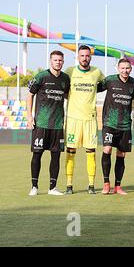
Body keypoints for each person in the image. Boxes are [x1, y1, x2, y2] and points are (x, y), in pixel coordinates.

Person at [27, 50, 70, 196]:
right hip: (41, 123)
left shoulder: (66, 79)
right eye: (55, 60)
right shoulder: (42, 77)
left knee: (56, 156)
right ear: (50, 61)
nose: (58, 62)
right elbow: (30, 95)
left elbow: (67, 96)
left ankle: (52, 188)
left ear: (63, 62)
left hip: (58, 125)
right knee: (37, 155)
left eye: (60, 60)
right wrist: (29, 117)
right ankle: (34, 186)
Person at [97, 58, 134, 195]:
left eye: (127, 68)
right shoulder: (109, 80)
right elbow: (94, 89)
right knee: (107, 149)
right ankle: (106, 184)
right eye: (122, 68)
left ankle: (118, 186)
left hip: (125, 125)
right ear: (117, 68)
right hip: (109, 123)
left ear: (131, 69)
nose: (125, 71)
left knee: (121, 155)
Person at [64, 45, 105, 194]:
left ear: (90, 57)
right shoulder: (69, 72)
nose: (84, 58)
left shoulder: (97, 72)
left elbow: (103, 85)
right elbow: (62, 89)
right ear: (77, 57)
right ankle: (69, 185)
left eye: (87, 56)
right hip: (73, 118)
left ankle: (91, 185)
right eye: (82, 56)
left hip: (90, 118)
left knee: (91, 152)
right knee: (70, 151)